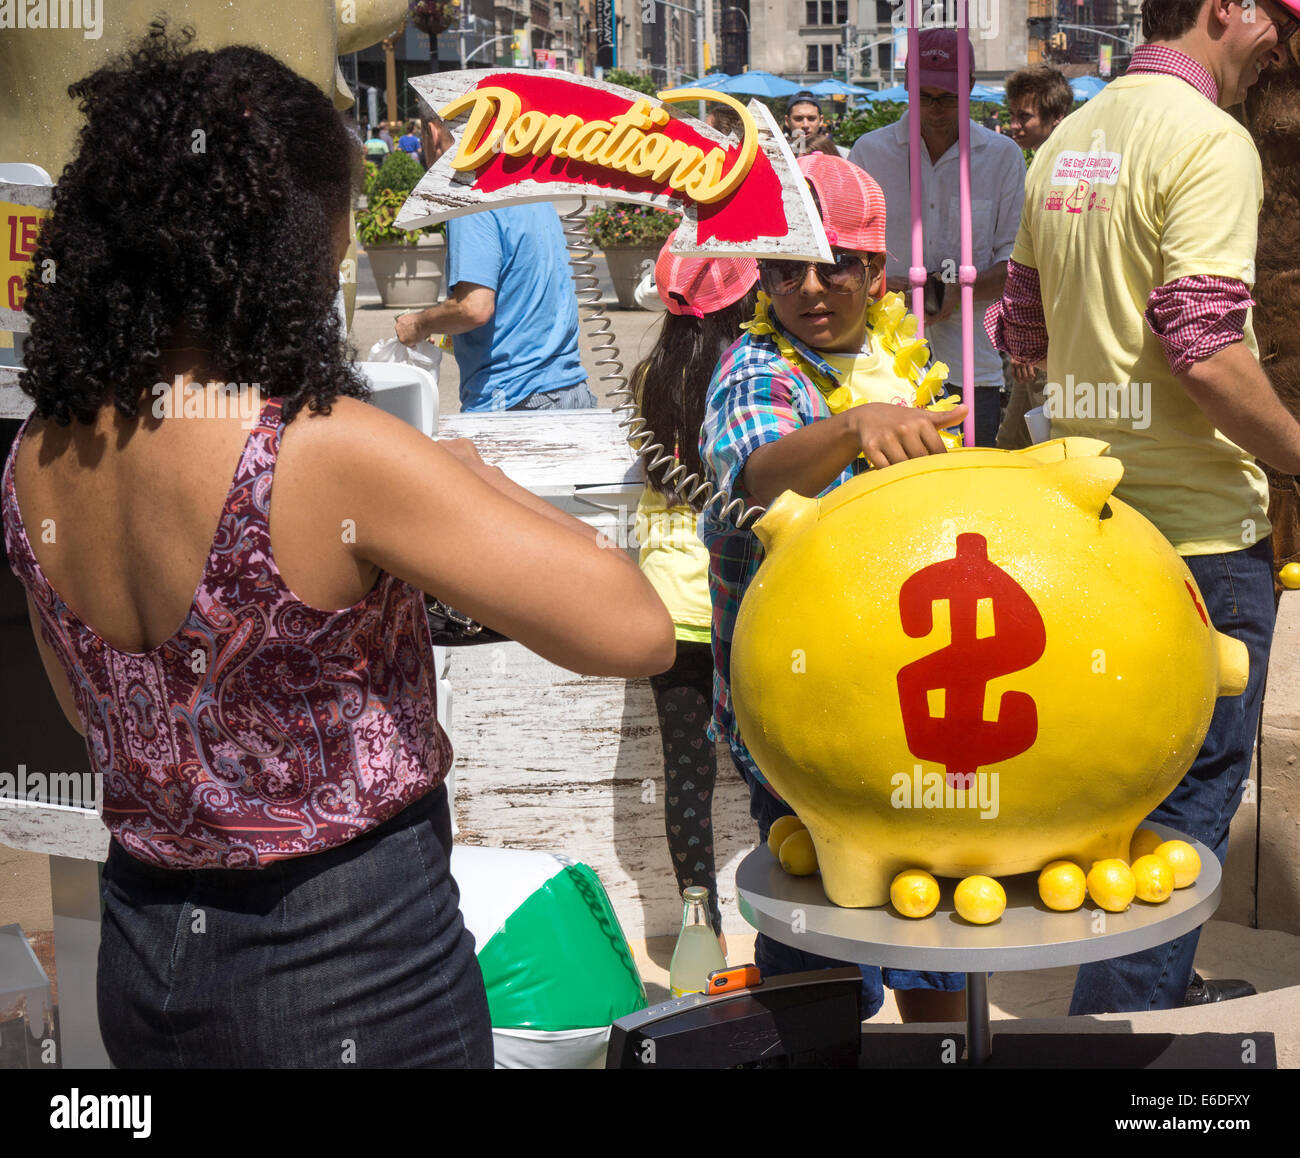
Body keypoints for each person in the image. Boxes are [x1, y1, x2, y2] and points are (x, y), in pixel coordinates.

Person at [1, 22, 675, 1068]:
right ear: (290, 231)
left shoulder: (37, 453)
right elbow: (633, 630)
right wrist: (479, 483)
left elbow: (87, 706)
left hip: (144, 955)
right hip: (347, 961)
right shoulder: (319, 448)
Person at [985, 0, 1300, 1013]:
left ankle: (1134, 991)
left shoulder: (1068, 139)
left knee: (1112, 793)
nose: (1282, 46)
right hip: (1198, 537)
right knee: (1189, 798)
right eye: (1278, 20)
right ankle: (1120, 1032)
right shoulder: (1209, 138)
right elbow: (1204, 348)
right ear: (1224, 8)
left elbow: (1020, 331)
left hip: (1082, 525)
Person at [698, 152, 968, 1023]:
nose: (810, 289)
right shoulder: (757, 368)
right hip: (802, 700)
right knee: (816, 915)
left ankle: (941, 1047)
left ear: (876, 272)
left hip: (910, 692)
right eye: (786, 269)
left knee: (929, 897)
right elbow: (755, 474)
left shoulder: (904, 357)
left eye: (835, 266)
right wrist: (852, 427)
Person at [632, 232, 759, 957]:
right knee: (773, 765)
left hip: (667, 605)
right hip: (740, 595)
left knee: (687, 777)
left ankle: (696, 931)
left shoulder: (652, 374)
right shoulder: (752, 373)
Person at [848, 28, 1026, 447]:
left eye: (948, 98)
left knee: (966, 493)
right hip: (882, 364)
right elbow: (849, 254)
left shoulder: (1001, 158)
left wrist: (959, 292)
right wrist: (887, 287)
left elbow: (1016, 265)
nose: (936, 110)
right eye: (924, 96)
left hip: (971, 365)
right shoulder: (871, 153)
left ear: (970, 87)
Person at [395, 114, 595, 412]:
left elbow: (474, 308)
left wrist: (419, 324)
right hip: (566, 389)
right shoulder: (522, 184)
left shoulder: (472, 194)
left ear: (433, 133)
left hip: (516, 398)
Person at [995, 62, 1075, 450]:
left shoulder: (1063, 170)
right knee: (1012, 445)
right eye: (1011, 115)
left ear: (1056, 117)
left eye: (1024, 116)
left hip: (1049, 344)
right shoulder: (1048, 163)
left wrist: (1029, 340)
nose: (1014, 125)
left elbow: (1048, 263)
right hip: (1042, 341)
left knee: (1043, 451)